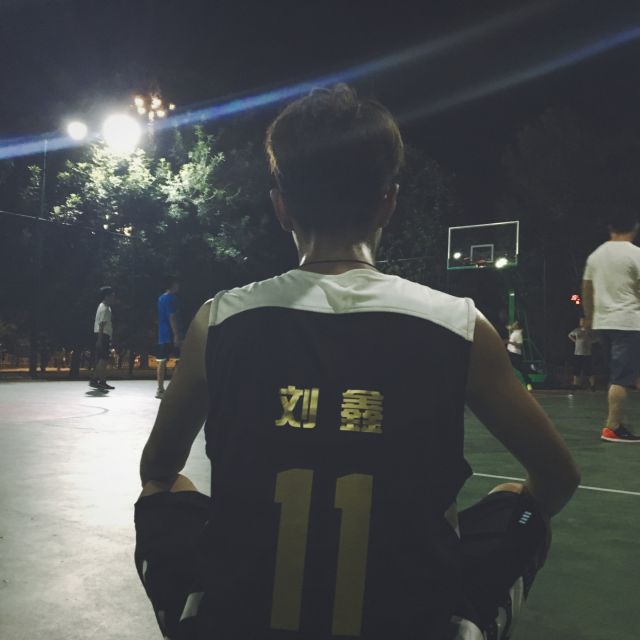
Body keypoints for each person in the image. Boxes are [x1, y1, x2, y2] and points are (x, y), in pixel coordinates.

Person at [135, 85, 580, 640]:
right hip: (406, 624)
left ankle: (202, 612)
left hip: (242, 621)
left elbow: (157, 468)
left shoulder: (218, 320)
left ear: (281, 205)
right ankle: (462, 619)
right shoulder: (459, 325)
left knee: (164, 493)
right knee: (516, 500)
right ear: (388, 201)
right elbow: (559, 477)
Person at [582, 209, 640, 442]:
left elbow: (587, 289)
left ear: (610, 229)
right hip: (628, 322)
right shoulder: (635, 254)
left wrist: (589, 318)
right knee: (621, 378)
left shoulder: (595, 256)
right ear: (635, 228)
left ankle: (618, 422)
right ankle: (612, 427)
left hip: (603, 322)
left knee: (621, 374)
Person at [155, 276, 183, 399]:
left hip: (162, 334)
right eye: (177, 283)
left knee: (161, 361)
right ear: (172, 285)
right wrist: (176, 334)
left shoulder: (161, 298)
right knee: (179, 361)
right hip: (171, 333)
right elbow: (172, 317)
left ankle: (160, 389)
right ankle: (176, 388)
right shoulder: (172, 298)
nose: (178, 286)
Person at [89, 286, 115, 391]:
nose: (113, 298)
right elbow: (102, 324)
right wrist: (100, 340)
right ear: (107, 296)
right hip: (103, 335)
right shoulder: (105, 308)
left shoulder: (102, 306)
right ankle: (94, 379)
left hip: (102, 334)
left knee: (103, 359)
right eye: (112, 296)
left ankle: (102, 381)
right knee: (103, 359)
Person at [568, 317, 598, 391]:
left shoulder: (590, 331)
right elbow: (569, 335)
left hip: (587, 353)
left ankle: (592, 385)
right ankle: (575, 385)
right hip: (578, 353)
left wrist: (591, 342)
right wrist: (575, 341)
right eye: (581, 321)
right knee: (576, 369)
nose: (582, 322)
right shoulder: (577, 330)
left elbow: (597, 338)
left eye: (583, 321)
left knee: (589, 370)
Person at [505, 321, 533, 392]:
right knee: (518, 369)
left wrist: (509, 342)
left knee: (520, 370)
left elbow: (519, 345)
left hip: (515, 354)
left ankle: (528, 383)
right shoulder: (515, 332)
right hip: (511, 353)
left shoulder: (518, 334)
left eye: (515, 324)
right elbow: (511, 337)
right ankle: (528, 383)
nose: (513, 324)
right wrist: (510, 330)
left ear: (517, 326)